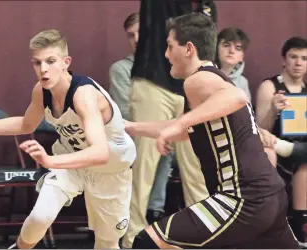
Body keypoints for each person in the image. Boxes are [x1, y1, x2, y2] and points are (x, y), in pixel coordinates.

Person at [125, 13, 298, 248]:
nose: (166, 55)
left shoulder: (198, 80)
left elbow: (235, 97)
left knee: (149, 242)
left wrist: (177, 125)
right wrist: (129, 127)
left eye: (169, 46)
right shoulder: (213, 79)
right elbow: (189, 128)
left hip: (242, 198)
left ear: (188, 49)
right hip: (270, 195)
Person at [0, 29, 136, 249]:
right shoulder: (41, 90)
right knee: (40, 217)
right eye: (37, 63)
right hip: (70, 162)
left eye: (50, 61)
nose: (43, 69)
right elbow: (26, 124)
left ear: (66, 62)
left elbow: (100, 153)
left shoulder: (84, 95)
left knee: (107, 243)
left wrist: (50, 161)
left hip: (110, 168)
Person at [122, 1, 215, 247]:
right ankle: (132, 238)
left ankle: (202, 236)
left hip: (191, 87)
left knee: (197, 167)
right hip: (154, 82)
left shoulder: (207, 6)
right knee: (143, 166)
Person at [109, 12, 175, 226]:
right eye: (131, 35)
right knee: (158, 143)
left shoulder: (172, 65)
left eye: (141, 33)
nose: (136, 39)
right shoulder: (121, 69)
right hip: (136, 133)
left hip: (174, 131)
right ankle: (151, 212)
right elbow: (124, 113)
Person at [255, 36, 307, 247]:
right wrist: (274, 111)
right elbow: (260, 130)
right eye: (293, 57)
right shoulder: (270, 86)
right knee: (270, 150)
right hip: (275, 145)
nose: (298, 63)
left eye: (304, 58)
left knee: (304, 166)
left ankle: (300, 232)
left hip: (301, 151)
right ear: (284, 60)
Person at [215, 27, 252, 102]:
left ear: (242, 56)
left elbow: (246, 112)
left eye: (238, 48)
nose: (231, 51)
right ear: (216, 48)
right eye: (226, 45)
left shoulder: (242, 83)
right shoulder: (205, 74)